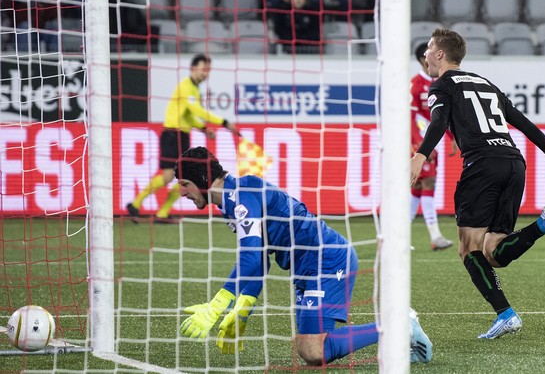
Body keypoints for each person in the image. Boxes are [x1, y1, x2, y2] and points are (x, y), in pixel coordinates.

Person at [175, 146, 433, 365]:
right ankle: (401, 332)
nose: (182, 192)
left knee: (314, 349)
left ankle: (400, 324)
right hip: (307, 269)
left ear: (202, 179)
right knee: (308, 350)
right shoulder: (231, 202)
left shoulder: (243, 195)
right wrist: (242, 310)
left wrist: (217, 305)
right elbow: (261, 258)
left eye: (185, 184)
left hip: (328, 261)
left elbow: (251, 258)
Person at [410, 28, 545, 339]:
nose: (425, 55)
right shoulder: (485, 83)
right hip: (514, 163)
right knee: (494, 252)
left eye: (429, 49)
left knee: (467, 247)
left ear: (441, 54)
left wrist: (421, 155)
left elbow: (438, 121)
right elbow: (522, 122)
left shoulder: (441, 85)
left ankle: (506, 314)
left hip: (482, 166)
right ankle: (541, 225)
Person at [126, 55, 238, 224]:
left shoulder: (193, 89)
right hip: (172, 135)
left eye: (208, 70)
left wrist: (203, 129)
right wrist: (223, 122)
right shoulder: (186, 87)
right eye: (203, 69)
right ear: (193, 68)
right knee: (168, 176)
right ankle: (135, 204)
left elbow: (190, 116)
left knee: (182, 176)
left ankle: (163, 213)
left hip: (181, 135)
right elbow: (198, 111)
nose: (205, 73)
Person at [410, 43, 456, 251]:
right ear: (422, 58)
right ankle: (436, 236)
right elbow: (409, 116)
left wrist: (451, 136)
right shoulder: (415, 84)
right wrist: (415, 143)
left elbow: (439, 116)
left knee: (418, 188)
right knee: (428, 182)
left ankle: (398, 237)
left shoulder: (439, 83)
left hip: (430, 138)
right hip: (417, 141)